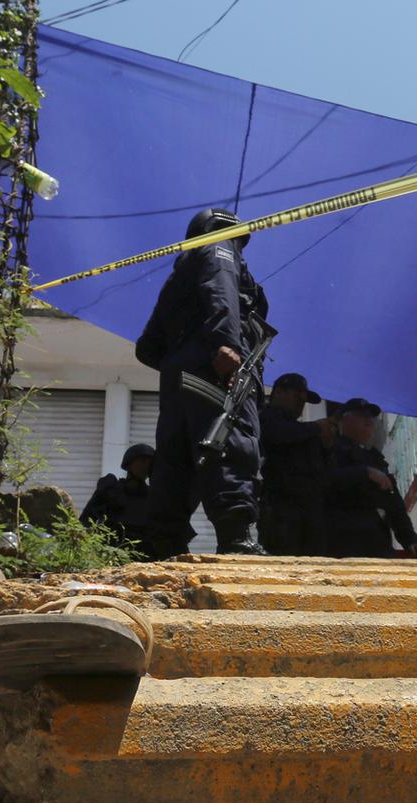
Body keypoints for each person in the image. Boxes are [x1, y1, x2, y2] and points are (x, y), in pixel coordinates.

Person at [133, 207, 269, 557]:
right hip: (216, 367)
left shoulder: (179, 274)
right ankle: (237, 539)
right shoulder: (219, 249)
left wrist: (180, 363)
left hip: (180, 378)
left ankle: (164, 546)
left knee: (175, 460)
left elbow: (147, 348)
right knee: (230, 443)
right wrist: (226, 343)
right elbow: (221, 290)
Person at [325, 397, 417, 560]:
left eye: (370, 416)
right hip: (343, 544)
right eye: (361, 415)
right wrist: (364, 473)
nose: (368, 420)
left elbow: (395, 507)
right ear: (344, 420)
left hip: (377, 545)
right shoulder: (330, 450)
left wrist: (411, 541)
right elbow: (325, 482)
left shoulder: (375, 459)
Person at [258, 373, 334, 556]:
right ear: (279, 392)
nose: (301, 404)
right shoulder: (266, 417)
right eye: (298, 397)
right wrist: (316, 428)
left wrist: (327, 445)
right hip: (280, 509)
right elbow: (278, 434)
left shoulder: (302, 431)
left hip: (309, 511)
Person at [80, 443, 155, 551]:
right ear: (129, 463)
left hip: (144, 558)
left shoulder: (153, 497)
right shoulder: (111, 489)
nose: (145, 466)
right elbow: (87, 520)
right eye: (142, 461)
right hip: (111, 554)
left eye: (150, 462)